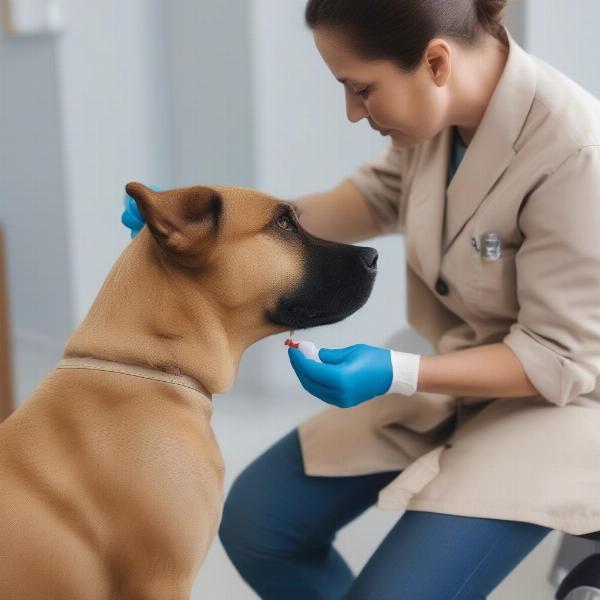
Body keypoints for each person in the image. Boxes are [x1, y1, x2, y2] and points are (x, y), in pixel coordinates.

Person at [122, 1, 600, 597]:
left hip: (560, 407)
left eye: (361, 89)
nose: (352, 113)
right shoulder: (441, 120)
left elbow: (557, 358)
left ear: (436, 61)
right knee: (257, 522)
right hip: (456, 371)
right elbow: (371, 199)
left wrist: (398, 372)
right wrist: (204, 225)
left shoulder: (575, 154)